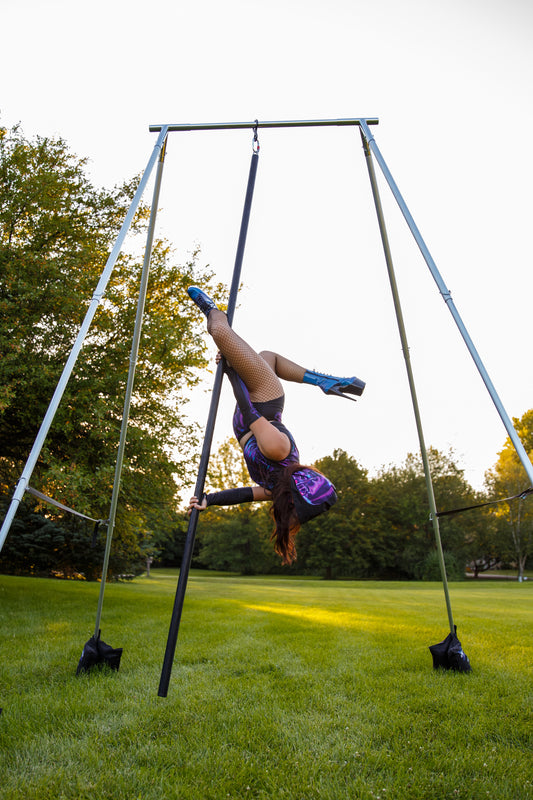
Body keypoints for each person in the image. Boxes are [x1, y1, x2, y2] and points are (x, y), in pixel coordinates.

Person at [186, 286, 365, 564]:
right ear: (294, 497)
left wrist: (209, 499)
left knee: (267, 357)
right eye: (297, 512)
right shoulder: (278, 450)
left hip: (257, 403)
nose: (294, 518)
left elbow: (244, 495)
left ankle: (324, 382)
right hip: (262, 397)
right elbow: (247, 410)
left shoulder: (276, 487)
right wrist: (230, 370)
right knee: (219, 331)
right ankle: (211, 309)